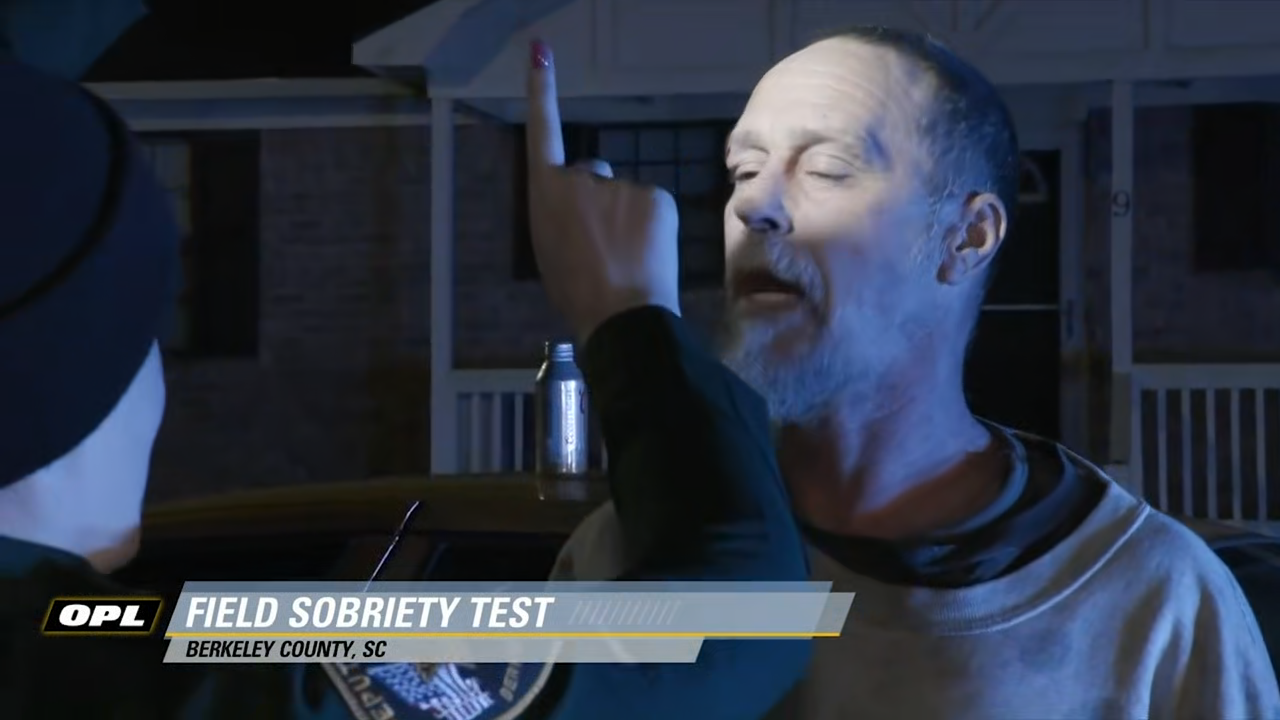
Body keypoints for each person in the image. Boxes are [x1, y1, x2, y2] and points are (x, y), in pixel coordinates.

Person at [0, 42, 809, 720]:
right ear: (70, 381)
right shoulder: (111, 675)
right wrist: (629, 317)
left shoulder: (89, 634)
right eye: (142, 331)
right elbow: (731, 628)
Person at [552, 25, 1280, 719]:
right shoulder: (629, 550)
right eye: (744, 170)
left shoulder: (1158, 600)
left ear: (967, 237)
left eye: (827, 170)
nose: (752, 205)